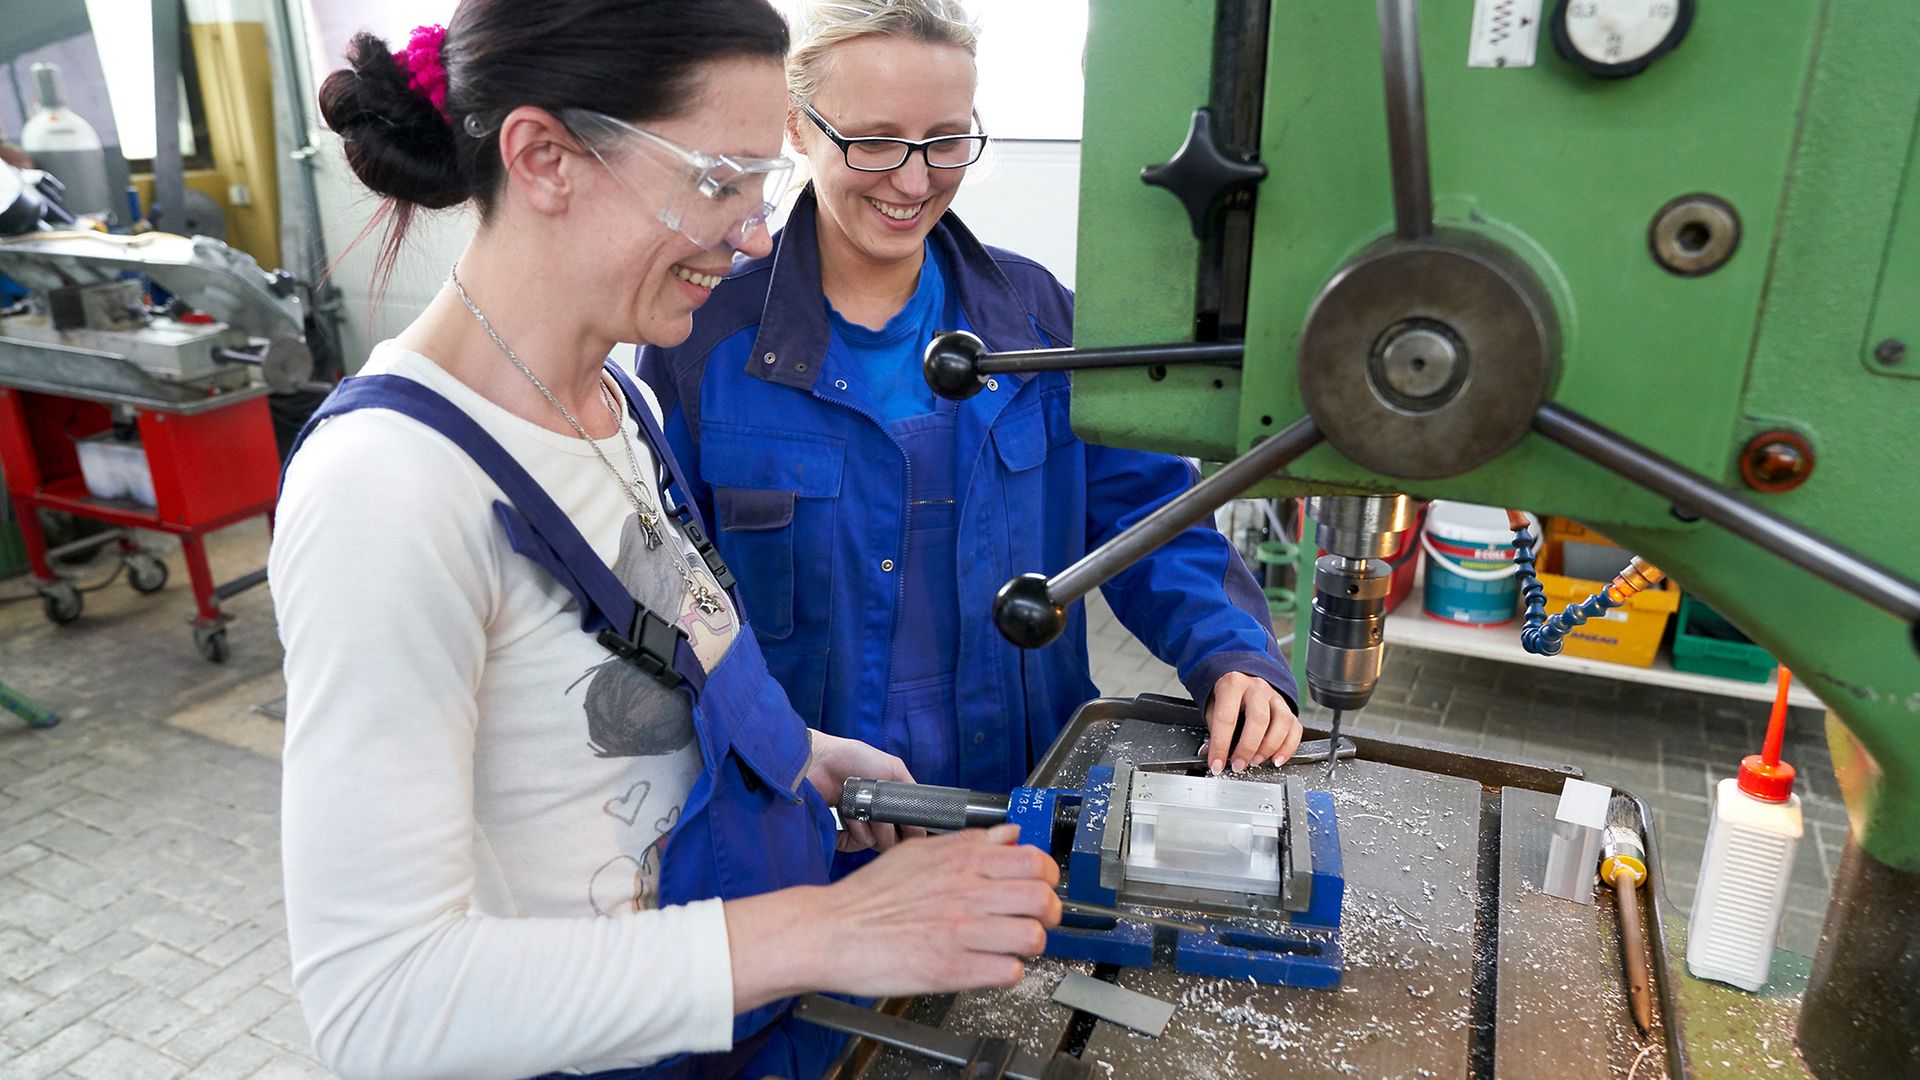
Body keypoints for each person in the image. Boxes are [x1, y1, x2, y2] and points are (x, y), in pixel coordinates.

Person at [272, 4, 1059, 1078]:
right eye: (716, 181)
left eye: (758, 187)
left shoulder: (616, 406)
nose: (750, 234)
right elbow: (379, 1010)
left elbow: (662, 679)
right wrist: (826, 932)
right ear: (544, 156)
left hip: (742, 1026)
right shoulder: (390, 489)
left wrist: (808, 760)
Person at [641, 0, 1301, 805]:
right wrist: (773, 753)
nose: (914, 181)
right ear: (796, 127)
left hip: (1023, 795)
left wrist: (1233, 652)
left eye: (947, 140)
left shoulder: (1042, 323)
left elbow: (1145, 515)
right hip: (806, 815)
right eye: (875, 140)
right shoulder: (704, 342)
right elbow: (667, 600)